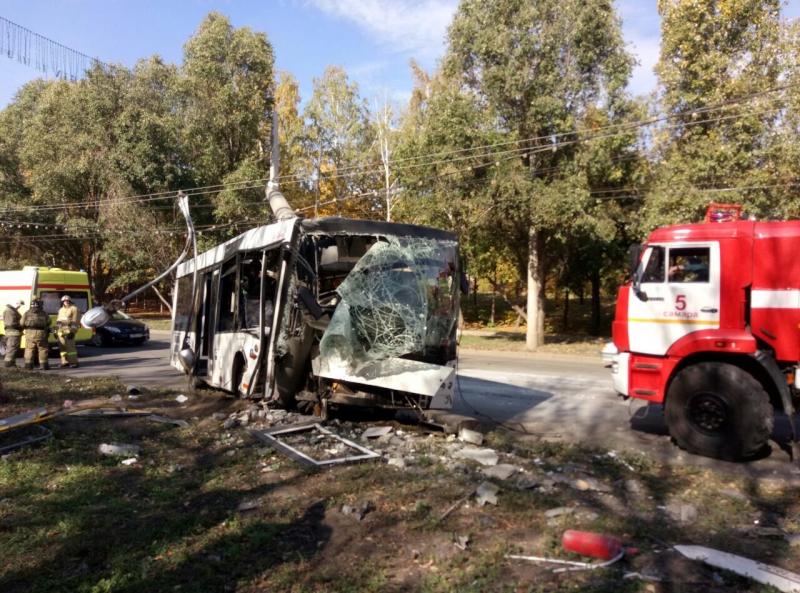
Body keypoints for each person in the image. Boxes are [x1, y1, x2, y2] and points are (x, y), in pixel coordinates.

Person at [21, 299, 51, 370]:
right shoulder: (43, 313)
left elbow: (21, 323)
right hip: (41, 334)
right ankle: (44, 365)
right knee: (43, 349)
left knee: (29, 349)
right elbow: (49, 322)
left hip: (30, 334)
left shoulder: (27, 313)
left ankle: (28, 366)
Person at [56, 295, 80, 368]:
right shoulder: (61, 310)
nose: (66, 302)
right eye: (64, 301)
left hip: (69, 331)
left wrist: (73, 331)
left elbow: (75, 322)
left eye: (67, 301)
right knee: (62, 348)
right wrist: (56, 331)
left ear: (70, 301)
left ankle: (74, 362)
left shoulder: (74, 309)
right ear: (62, 302)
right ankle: (64, 362)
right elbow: (58, 321)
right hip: (61, 331)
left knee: (71, 348)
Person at [3, 300, 24, 368]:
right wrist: (20, 325)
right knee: (12, 348)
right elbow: (10, 323)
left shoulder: (12, 310)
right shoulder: (10, 311)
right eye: (19, 304)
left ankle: (12, 363)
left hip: (14, 333)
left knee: (13, 349)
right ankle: (8, 364)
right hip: (13, 333)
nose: (19, 306)